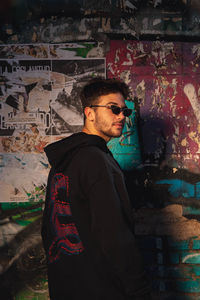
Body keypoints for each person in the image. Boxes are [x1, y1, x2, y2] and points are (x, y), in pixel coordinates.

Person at [41, 77, 152, 300]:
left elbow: (47, 230)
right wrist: (138, 290)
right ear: (89, 113)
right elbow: (113, 233)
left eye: (124, 111)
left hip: (67, 286)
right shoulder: (95, 160)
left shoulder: (64, 161)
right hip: (101, 289)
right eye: (113, 109)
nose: (121, 116)